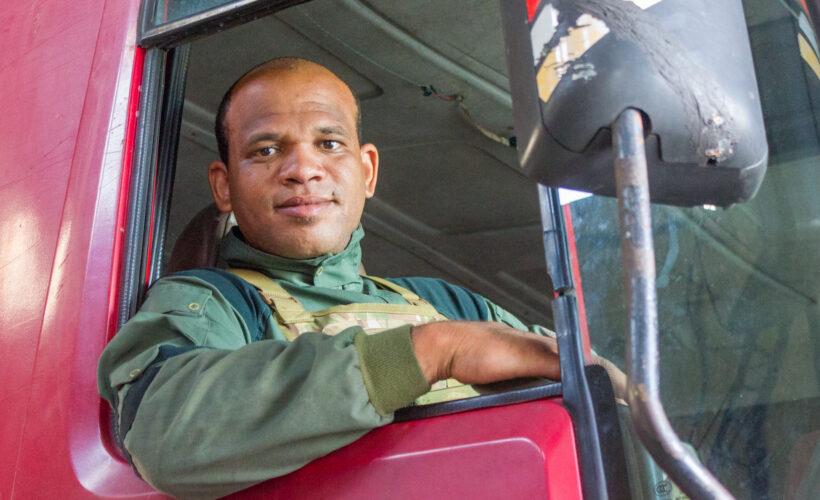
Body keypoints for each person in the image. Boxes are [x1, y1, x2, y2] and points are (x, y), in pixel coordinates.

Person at [98, 57, 564, 499]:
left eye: (329, 144)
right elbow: (162, 431)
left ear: (366, 171)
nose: (303, 170)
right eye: (266, 149)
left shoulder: (451, 304)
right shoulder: (211, 302)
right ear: (224, 185)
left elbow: (587, 387)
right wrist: (433, 350)